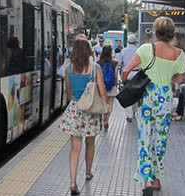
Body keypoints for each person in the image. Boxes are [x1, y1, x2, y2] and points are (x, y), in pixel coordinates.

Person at [121, 16, 185, 195]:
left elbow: (126, 70)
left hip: (147, 97)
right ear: (172, 33)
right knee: (160, 139)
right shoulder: (179, 54)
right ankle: (157, 178)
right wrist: (169, 76)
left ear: (155, 32)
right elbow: (180, 79)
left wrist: (124, 81)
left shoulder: (146, 49)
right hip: (165, 99)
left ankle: (147, 180)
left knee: (144, 138)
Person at [57, 39, 109, 195]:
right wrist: (106, 109)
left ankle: (73, 183)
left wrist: (75, 102)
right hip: (91, 110)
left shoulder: (68, 69)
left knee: (75, 148)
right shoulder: (95, 68)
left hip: (75, 108)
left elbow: (68, 91)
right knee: (90, 143)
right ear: (88, 51)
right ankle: (87, 172)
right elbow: (102, 91)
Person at [119, 34, 140, 122]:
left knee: (127, 94)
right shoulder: (139, 50)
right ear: (135, 41)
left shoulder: (123, 51)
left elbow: (120, 63)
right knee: (136, 93)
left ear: (127, 41)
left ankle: (129, 115)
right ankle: (135, 111)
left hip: (127, 73)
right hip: (137, 73)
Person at [98, 45, 118, 130]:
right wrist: (116, 85)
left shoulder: (98, 63)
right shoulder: (114, 63)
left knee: (102, 103)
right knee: (110, 104)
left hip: (101, 86)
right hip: (111, 86)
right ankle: (107, 120)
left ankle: (103, 118)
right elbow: (116, 76)